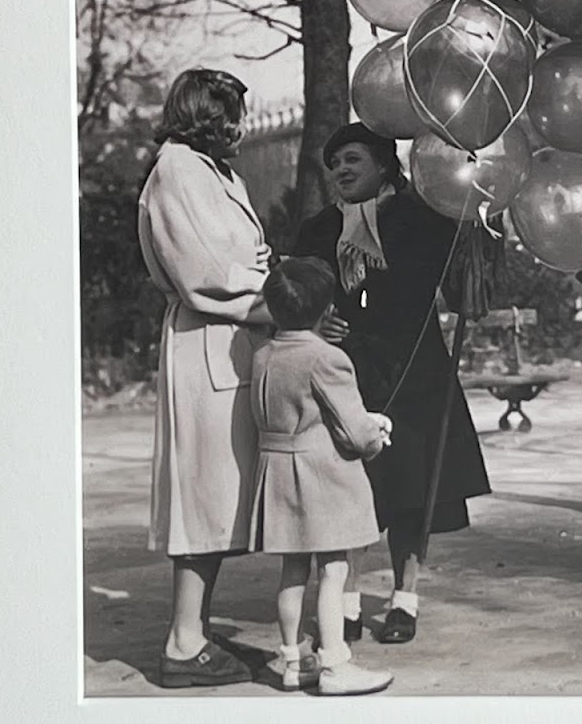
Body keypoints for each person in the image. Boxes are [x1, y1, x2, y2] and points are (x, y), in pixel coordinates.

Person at [292, 122, 490, 646]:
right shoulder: (318, 229)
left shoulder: (425, 218)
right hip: (344, 374)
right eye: (335, 164)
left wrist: (476, 229)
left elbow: (463, 284)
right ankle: (348, 602)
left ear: (384, 165)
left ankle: (406, 599)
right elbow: (296, 291)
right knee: (349, 490)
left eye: (353, 159)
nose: (341, 171)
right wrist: (317, 321)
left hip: (415, 367)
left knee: (411, 489)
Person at [138, 68, 274, 688]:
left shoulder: (216, 173)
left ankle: (193, 630)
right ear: (206, 116)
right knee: (203, 496)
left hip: (232, 340)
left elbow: (241, 257)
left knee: (219, 497)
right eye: (232, 116)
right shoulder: (179, 170)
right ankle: (183, 643)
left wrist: (267, 273)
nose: (241, 128)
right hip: (207, 340)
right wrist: (278, 295)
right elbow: (206, 272)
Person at [249, 257, 395, 696]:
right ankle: (335, 664)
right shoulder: (328, 357)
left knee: (292, 571)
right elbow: (352, 431)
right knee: (333, 569)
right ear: (326, 308)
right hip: (320, 477)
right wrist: (377, 431)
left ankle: (294, 661)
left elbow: (296, 412)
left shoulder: (262, 353)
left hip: (276, 472)